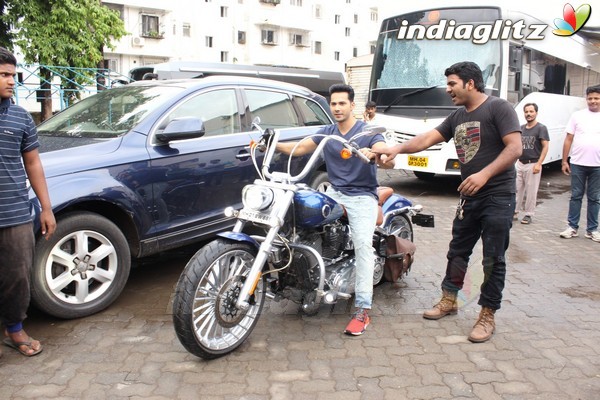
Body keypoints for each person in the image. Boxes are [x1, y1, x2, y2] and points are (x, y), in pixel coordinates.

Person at [379, 61, 522, 343]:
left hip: (498, 195)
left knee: (493, 257)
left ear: (470, 83)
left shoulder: (498, 108)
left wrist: (484, 174)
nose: (448, 90)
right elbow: (426, 139)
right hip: (469, 196)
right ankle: (449, 300)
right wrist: (396, 148)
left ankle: (487, 314)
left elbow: (515, 147)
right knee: (457, 251)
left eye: (452, 84)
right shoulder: (457, 117)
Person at [276, 84, 391, 336]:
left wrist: (374, 153)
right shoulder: (327, 132)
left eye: (342, 103)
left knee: (363, 246)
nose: (337, 108)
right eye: (333, 103)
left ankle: (362, 309)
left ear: (352, 106)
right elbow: (302, 146)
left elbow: (387, 156)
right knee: (300, 222)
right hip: (335, 192)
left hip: (362, 196)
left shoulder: (367, 132)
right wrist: (271, 144)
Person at [0, 47, 56, 357]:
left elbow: (33, 163)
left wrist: (46, 207)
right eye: (5, 75)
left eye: (13, 75)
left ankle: (14, 329)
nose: (11, 81)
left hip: (15, 213)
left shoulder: (21, 117)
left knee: (17, 275)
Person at [559, 84, 600, 242]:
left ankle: (592, 230)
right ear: (586, 99)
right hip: (578, 163)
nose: (593, 101)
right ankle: (572, 227)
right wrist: (564, 161)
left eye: (596, 98)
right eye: (590, 98)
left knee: (595, 198)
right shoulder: (577, 116)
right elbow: (568, 139)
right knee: (576, 196)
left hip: (597, 165)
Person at [514, 103, 549, 224]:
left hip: (532, 163)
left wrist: (539, 163)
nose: (528, 114)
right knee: (517, 189)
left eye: (531, 111)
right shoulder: (521, 128)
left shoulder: (541, 128)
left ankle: (528, 214)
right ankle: (514, 211)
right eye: (526, 112)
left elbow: (545, 147)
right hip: (520, 163)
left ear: (536, 113)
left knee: (531, 190)